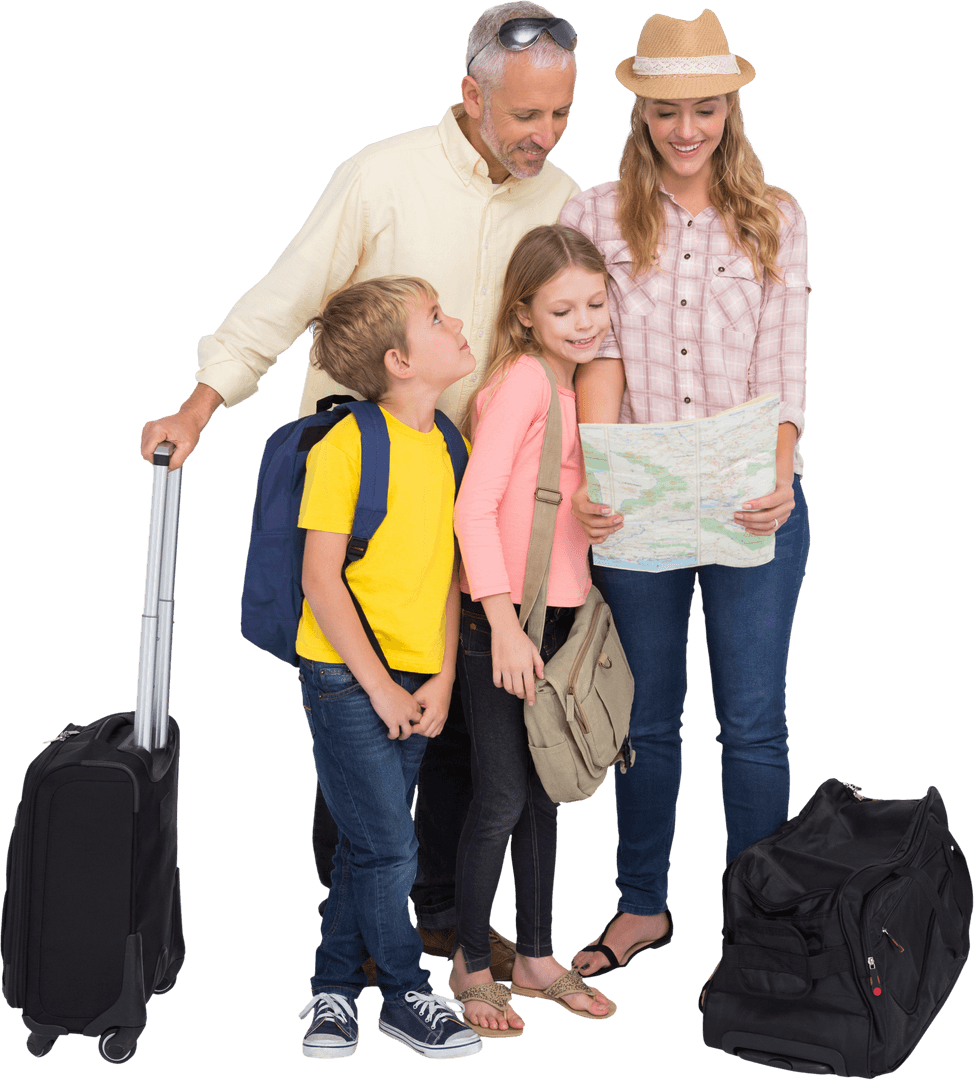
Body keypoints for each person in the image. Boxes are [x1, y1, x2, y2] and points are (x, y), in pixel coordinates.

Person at [139, 3, 581, 974]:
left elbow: (577, 335)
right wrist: (198, 407)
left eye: (559, 115)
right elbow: (282, 297)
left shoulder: (563, 202)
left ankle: (429, 915)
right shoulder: (379, 178)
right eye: (524, 117)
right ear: (472, 95)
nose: (542, 138)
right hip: (369, 511)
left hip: (485, 515)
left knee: (466, 724)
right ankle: (354, 933)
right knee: (357, 720)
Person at [560, 10, 811, 977]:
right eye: (667, 111)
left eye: (704, 109)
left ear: (730, 108)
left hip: (756, 499)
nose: (686, 129)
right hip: (641, 505)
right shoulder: (593, 214)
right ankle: (641, 907)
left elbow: (784, 364)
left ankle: (757, 920)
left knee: (752, 721)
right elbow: (597, 354)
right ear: (641, 111)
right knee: (646, 716)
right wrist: (592, 475)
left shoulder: (777, 216)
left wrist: (780, 473)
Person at [296, 276, 482, 1060]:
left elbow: (447, 569)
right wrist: (377, 685)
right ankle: (406, 995)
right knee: (389, 849)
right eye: (438, 319)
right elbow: (320, 579)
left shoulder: (447, 439)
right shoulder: (346, 445)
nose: (459, 322)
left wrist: (439, 677)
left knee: (363, 847)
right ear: (400, 360)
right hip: (344, 676)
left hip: (415, 678)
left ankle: (333, 989)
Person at [449, 225, 617, 1036]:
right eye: (563, 309)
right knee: (502, 798)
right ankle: (473, 962)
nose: (585, 320)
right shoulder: (524, 382)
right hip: (505, 625)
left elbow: (549, 505)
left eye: (594, 302)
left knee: (545, 795)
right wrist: (502, 625)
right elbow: (473, 508)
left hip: (560, 618)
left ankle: (540, 956)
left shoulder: (575, 383)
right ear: (524, 315)